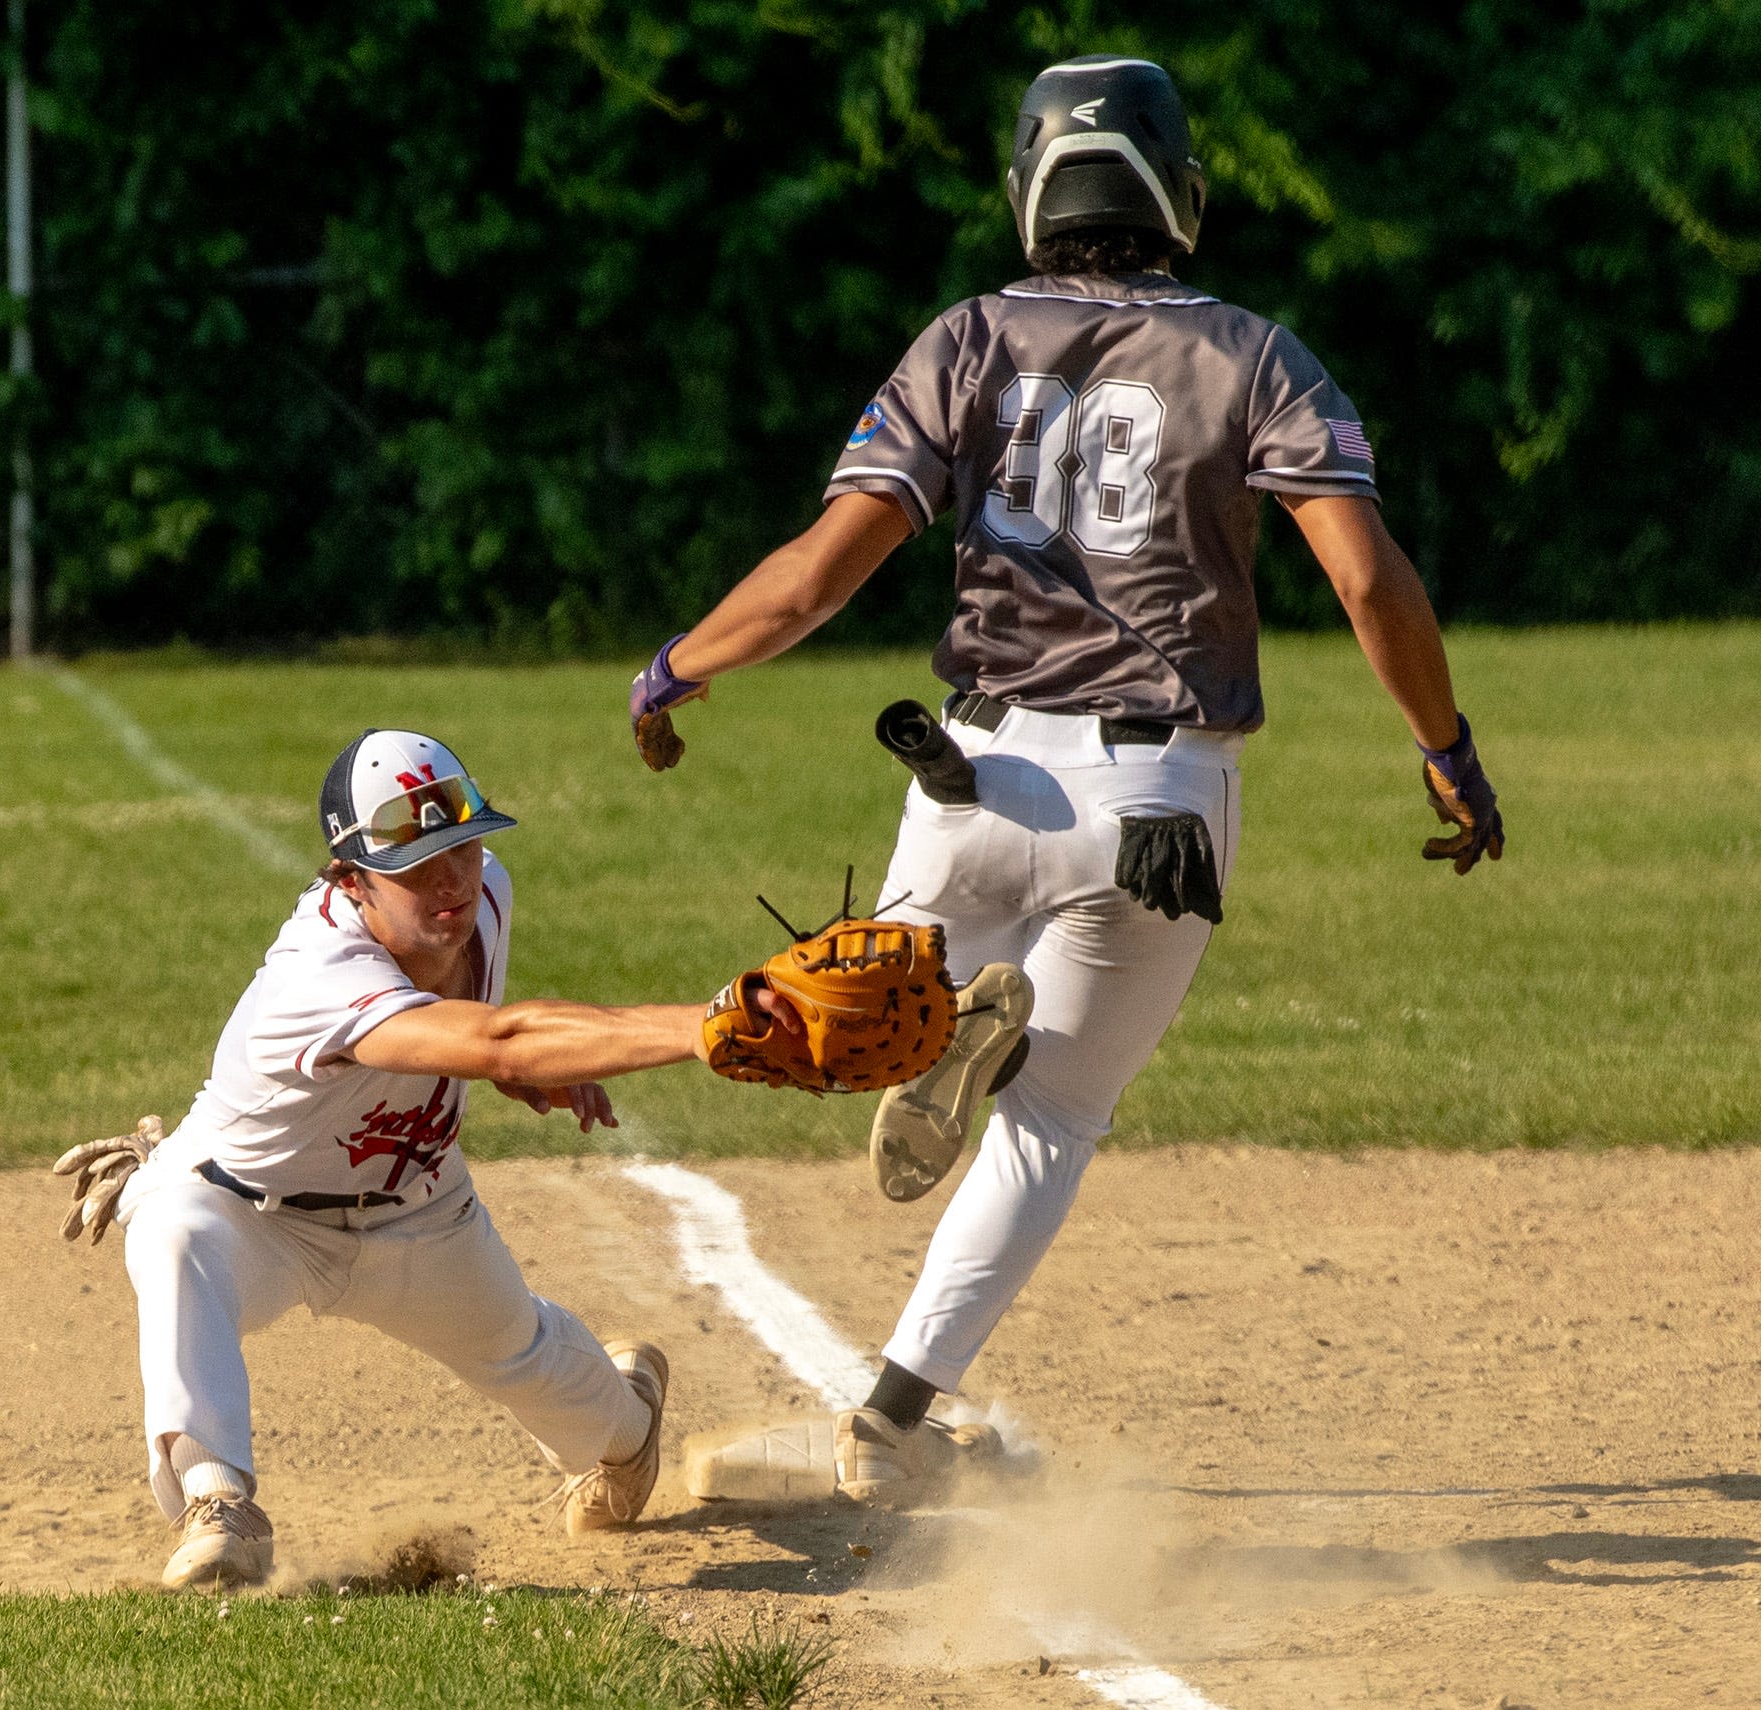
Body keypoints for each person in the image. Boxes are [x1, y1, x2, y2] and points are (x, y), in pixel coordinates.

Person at [629, 55, 1504, 1503]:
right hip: (1158, 806)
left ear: (1033, 189)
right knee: (1057, 1123)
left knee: (866, 1015)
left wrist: (676, 669)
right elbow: (1366, 581)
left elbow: (815, 578)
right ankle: (892, 1415)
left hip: (970, 777)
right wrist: (1444, 746)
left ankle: (942, 1039)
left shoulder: (968, 337)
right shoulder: (1256, 354)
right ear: (1180, 190)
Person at [59, 727, 794, 1589]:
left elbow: (466, 1035)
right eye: (414, 868)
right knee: (170, 1229)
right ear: (351, 879)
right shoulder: (316, 970)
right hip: (251, 1218)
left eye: (463, 845)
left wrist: (516, 1073)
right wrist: (702, 1025)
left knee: (606, 1450)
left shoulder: (485, 897)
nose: (450, 881)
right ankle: (218, 1506)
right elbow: (502, 1038)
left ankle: (628, 1410)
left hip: (421, 1214)